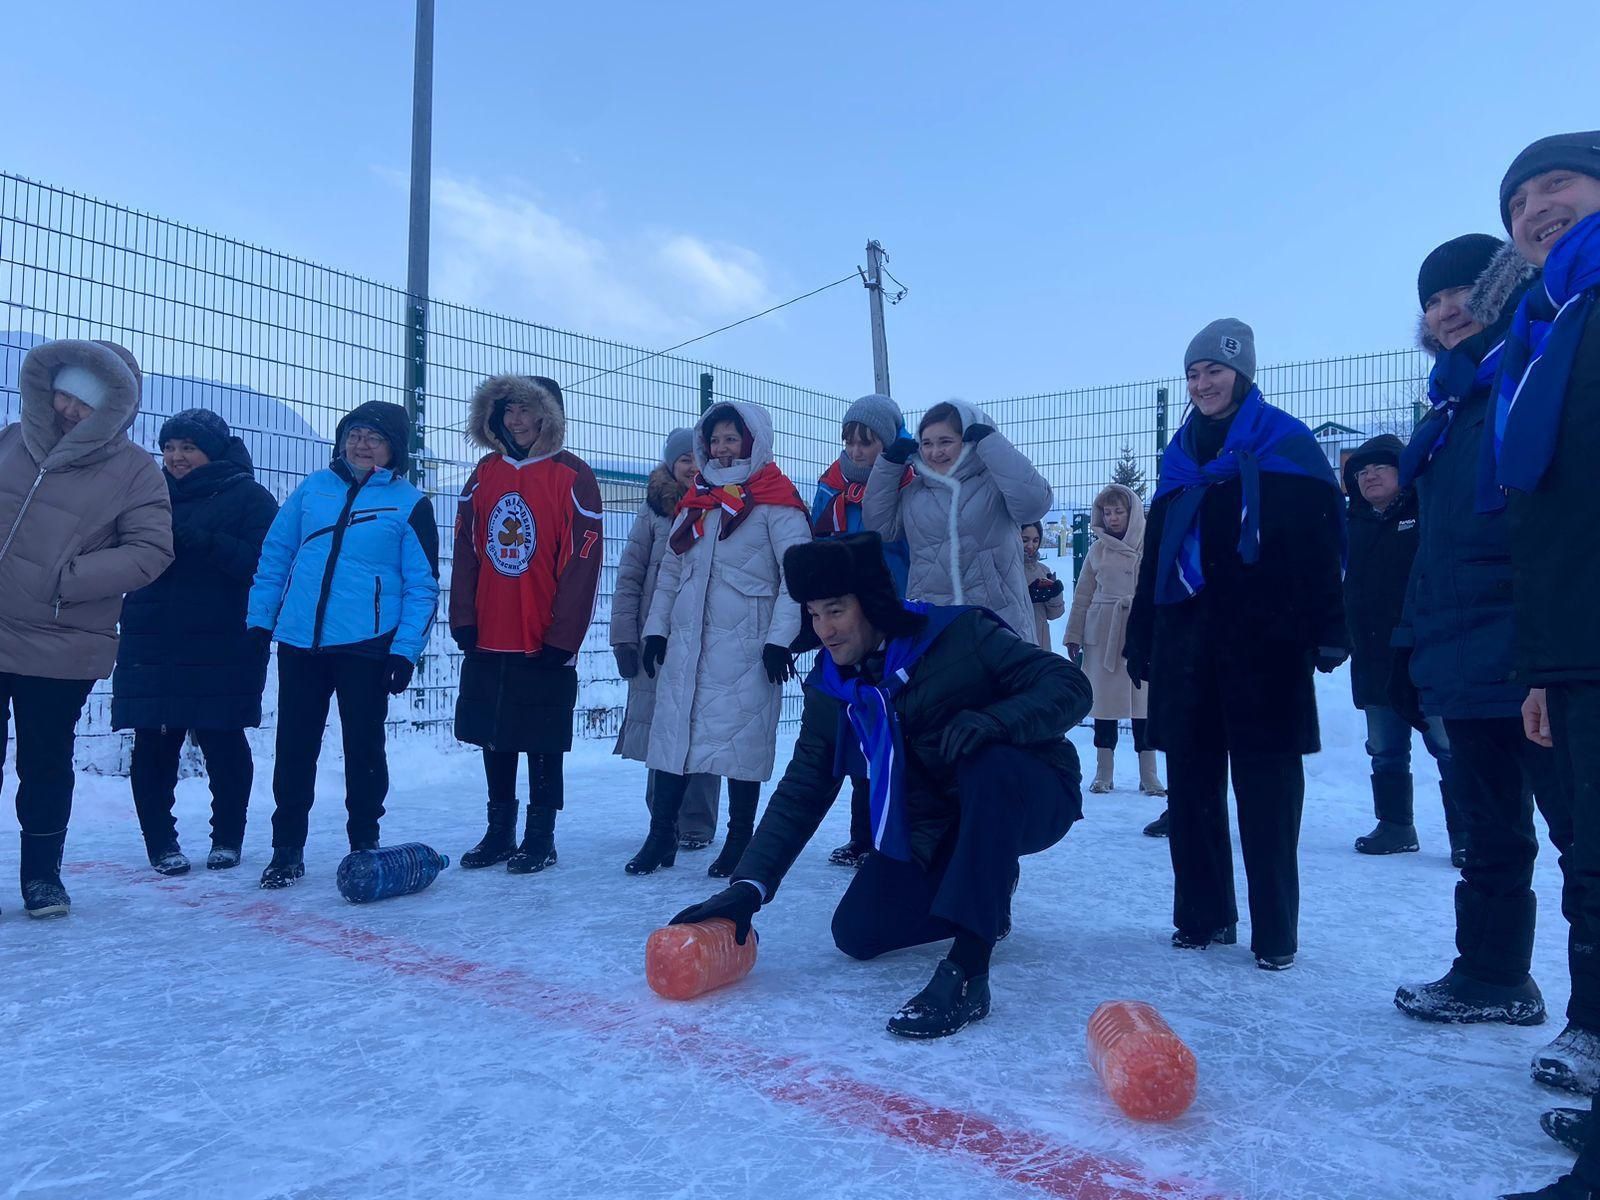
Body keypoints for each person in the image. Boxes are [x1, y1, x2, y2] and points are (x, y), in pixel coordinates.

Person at [669, 532, 1089, 1038]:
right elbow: (804, 786)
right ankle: (987, 888)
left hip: (1031, 793)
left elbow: (1070, 686)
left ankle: (969, 967)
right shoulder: (832, 686)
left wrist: (995, 721)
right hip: (935, 825)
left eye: (836, 611)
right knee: (857, 933)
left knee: (987, 761)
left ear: (871, 603)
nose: (824, 629)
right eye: (813, 614)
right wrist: (748, 887)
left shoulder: (958, 635)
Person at [1394, 232, 1578, 1040]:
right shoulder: (1447, 408)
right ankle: (1492, 975)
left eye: (1461, 291)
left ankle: (1595, 1024)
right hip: (1461, 655)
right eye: (1432, 301)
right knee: (1490, 836)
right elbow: (1434, 552)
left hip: (1538, 649)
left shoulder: (1536, 369)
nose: (1446, 310)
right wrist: (1414, 650)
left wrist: (1549, 644)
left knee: (1582, 841)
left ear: (1502, 287)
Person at [1124, 319, 1347, 971]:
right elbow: (1153, 563)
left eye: (1214, 371)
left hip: (1265, 650)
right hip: (1189, 650)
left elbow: (1318, 550)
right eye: (1193, 374)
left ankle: (1274, 932)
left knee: (1268, 794)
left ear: (1242, 374)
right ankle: (1203, 915)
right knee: (1191, 790)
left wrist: (1330, 626)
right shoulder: (1179, 460)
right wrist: (1143, 636)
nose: (1201, 384)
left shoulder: (1287, 448)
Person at [1494, 131, 1600, 1200]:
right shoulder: (1561, 327)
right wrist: (1546, 666)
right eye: (1517, 199)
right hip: (1574, 646)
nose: (1534, 207)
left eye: (1555, 183)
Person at [0, 339, 172, 917]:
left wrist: (63, 580)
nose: (70, 410)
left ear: (115, 411)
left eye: (87, 404)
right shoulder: (9, 441)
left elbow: (150, 551)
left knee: (44, 763)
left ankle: (42, 878)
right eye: (65, 396)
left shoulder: (135, 471)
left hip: (61, 640)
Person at [246, 400, 440, 889]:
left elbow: (422, 586)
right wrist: (258, 622)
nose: (361, 443)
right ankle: (286, 849)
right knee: (294, 747)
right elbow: (275, 556)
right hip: (300, 642)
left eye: (374, 436)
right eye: (354, 433)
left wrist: (404, 650)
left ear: (393, 449)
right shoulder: (312, 489)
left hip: (367, 642)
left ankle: (364, 842)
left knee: (363, 747)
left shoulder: (410, 504)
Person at [627, 400, 813, 877]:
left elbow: (799, 577)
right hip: (688, 644)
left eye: (732, 438)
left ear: (752, 441)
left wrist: (780, 640)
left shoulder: (777, 501)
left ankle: (739, 839)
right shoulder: (698, 500)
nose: (721, 447)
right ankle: (660, 835)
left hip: (746, 647)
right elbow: (671, 573)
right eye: (715, 439)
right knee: (673, 739)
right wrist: (655, 630)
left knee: (740, 747)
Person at [112, 409, 278, 875]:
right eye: (169, 447)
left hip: (222, 636)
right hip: (153, 633)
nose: (176, 456)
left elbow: (265, 564)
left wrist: (202, 539)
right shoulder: (146, 494)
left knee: (223, 738)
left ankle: (227, 837)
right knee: (154, 741)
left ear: (214, 450)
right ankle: (160, 843)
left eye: (188, 446)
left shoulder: (249, 497)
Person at [450, 374, 602, 874]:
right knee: (495, 734)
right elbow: (467, 550)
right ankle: (499, 832)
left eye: (525, 410)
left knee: (541, 736)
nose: (515, 419)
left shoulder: (572, 475)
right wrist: (464, 617)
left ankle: (540, 836)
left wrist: (565, 635)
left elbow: (583, 561)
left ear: (548, 417)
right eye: (507, 409)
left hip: (542, 635)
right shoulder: (484, 473)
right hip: (491, 629)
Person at [1340, 433, 1454, 858]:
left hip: (1427, 653)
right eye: (1361, 472)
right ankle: (1395, 827)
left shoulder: (1427, 512)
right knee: (1385, 751)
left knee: (1450, 748)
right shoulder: (1352, 524)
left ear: (1402, 471)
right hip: (1373, 656)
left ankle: (1469, 837)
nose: (1368, 477)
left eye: (1379, 468)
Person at [810, 393, 911, 868]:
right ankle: (860, 834)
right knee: (854, 729)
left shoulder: (908, 484)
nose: (855, 450)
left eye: (866, 442)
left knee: (892, 727)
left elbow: (912, 553)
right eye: (850, 440)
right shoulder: (830, 488)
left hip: (891, 618)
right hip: (845, 622)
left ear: (886, 444)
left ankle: (892, 829)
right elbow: (818, 546)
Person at [612, 428, 722, 853]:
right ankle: (661, 818)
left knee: (701, 729)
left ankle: (697, 822)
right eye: (684, 461)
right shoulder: (653, 513)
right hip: (655, 640)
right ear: (671, 466)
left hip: (704, 639)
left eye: (699, 460)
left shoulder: (720, 508)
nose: (693, 468)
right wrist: (625, 638)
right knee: (662, 730)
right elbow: (630, 577)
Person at [863, 399, 1052, 644]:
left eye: (946, 442)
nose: (934, 452)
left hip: (999, 619)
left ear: (968, 443)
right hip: (933, 622)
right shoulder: (915, 492)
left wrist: (993, 445)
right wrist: (888, 465)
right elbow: (879, 527)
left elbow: (1034, 504)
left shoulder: (994, 484)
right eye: (927, 443)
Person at [1064, 484, 1165, 800]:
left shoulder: (1151, 545)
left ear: (1132, 512)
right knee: (1104, 707)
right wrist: (1074, 635)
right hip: (1103, 631)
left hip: (1141, 630)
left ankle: (1149, 776)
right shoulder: (1097, 550)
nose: (1112, 518)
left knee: (1143, 706)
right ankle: (1103, 773)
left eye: (1119, 511)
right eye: (1107, 512)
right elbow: (1082, 595)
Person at [1020, 522, 1065, 650]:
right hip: (1015, 643)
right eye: (1025, 540)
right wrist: (1027, 596)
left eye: (1035, 540)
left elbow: (1054, 614)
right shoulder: (1007, 570)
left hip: (1041, 643)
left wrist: (1055, 595)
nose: (1030, 546)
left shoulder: (1043, 570)